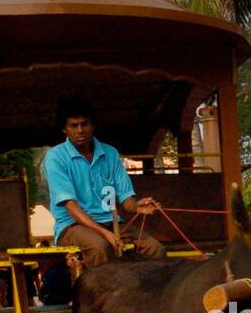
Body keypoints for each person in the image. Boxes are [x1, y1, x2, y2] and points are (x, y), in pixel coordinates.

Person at [43, 95, 167, 269]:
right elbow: (71, 206)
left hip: (112, 222)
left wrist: (138, 206)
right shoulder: (56, 157)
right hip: (73, 226)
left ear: (92, 125)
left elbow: (126, 199)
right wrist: (104, 233)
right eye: (73, 125)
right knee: (100, 247)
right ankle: (106, 296)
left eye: (84, 124)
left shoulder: (110, 153)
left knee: (155, 249)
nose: (80, 130)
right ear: (65, 129)